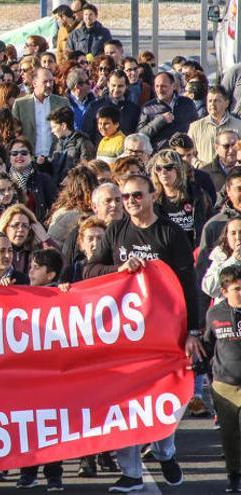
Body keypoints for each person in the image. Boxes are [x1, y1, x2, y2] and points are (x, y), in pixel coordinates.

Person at [84, 174, 196, 493]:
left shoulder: (170, 233)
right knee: (125, 402)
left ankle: (165, 452)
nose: (130, 202)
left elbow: (189, 284)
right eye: (125, 197)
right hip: (124, 335)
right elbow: (90, 270)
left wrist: (193, 331)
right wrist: (117, 271)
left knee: (163, 399)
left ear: (151, 195)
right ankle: (131, 473)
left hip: (164, 334)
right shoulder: (117, 230)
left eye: (136, 195)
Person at [203, 264, 241, 493]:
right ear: (224, 291)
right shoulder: (214, 314)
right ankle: (234, 475)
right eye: (237, 289)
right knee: (229, 435)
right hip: (223, 384)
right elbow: (207, 345)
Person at [150, 150, 212, 246]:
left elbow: (210, 225)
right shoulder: (153, 200)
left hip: (194, 252)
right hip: (167, 254)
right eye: (158, 168)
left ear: (178, 170)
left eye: (168, 167)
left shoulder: (197, 194)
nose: (163, 172)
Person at [12, 68, 70, 159]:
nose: (49, 85)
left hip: (56, 158)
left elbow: (69, 130)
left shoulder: (62, 103)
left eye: (51, 81)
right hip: (30, 158)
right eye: (45, 81)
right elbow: (14, 133)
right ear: (34, 83)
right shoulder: (20, 105)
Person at [137, 72, 197, 151]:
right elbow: (140, 135)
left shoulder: (187, 103)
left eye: (163, 86)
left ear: (173, 86)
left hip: (183, 154)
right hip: (160, 155)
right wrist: (160, 120)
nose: (159, 90)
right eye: (157, 86)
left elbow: (196, 127)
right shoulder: (148, 107)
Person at [189, 85, 241, 167]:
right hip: (204, 175)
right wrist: (199, 165)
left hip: (232, 174)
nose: (212, 104)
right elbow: (188, 153)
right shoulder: (195, 127)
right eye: (210, 101)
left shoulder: (238, 125)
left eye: (217, 101)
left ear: (226, 103)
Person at [202, 218, 241, 304]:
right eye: (233, 233)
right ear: (227, 236)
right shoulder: (220, 254)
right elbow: (209, 288)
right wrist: (233, 261)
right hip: (226, 311)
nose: (238, 237)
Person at [200, 129, 240, 194]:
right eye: (226, 146)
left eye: (234, 145)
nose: (231, 150)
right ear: (216, 148)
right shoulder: (204, 174)